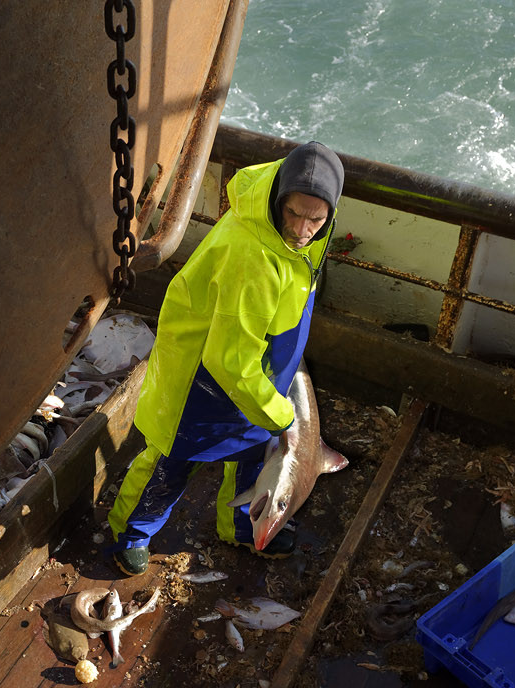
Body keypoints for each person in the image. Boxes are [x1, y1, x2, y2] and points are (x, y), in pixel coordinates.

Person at [107, 141, 345, 576]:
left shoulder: (308, 233)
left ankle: (240, 525)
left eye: (316, 218)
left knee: (255, 456)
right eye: (293, 213)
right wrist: (286, 419)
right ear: (278, 201)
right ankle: (132, 532)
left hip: (262, 376)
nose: (303, 228)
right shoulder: (250, 258)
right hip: (204, 378)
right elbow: (230, 362)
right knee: (173, 461)